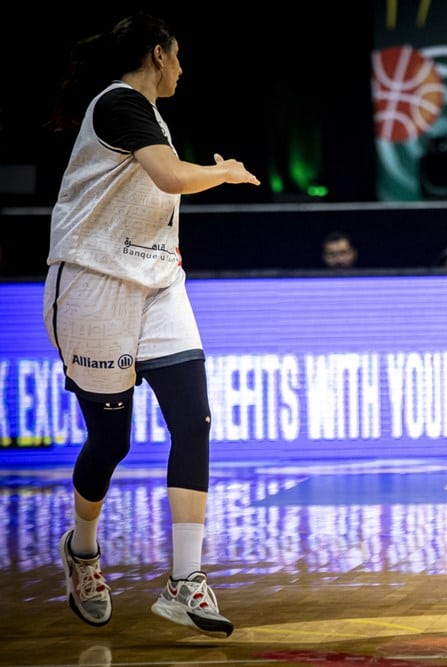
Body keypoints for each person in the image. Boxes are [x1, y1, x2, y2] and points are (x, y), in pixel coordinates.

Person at [44, 13, 259, 637]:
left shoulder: (147, 113)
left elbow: (163, 180)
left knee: (193, 419)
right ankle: (82, 550)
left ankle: (184, 581)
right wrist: (221, 172)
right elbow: (170, 175)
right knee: (111, 443)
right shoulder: (119, 103)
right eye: (179, 57)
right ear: (158, 55)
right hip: (93, 285)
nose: (183, 69)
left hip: (159, 283)